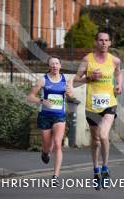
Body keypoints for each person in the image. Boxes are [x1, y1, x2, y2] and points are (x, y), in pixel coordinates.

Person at [73, 31, 122, 190]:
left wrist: (118, 85)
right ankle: (95, 170)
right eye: (100, 40)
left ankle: (106, 168)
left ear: (110, 43)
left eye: (106, 40)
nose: (103, 43)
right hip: (92, 106)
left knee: (103, 135)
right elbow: (75, 81)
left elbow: (118, 73)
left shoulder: (115, 60)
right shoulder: (87, 60)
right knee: (95, 140)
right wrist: (90, 78)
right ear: (96, 42)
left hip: (109, 104)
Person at [27, 56, 73, 186]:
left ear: (60, 66)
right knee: (47, 146)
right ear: (49, 66)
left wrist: (70, 93)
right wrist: (42, 101)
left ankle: (55, 177)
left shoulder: (65, 80)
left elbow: (72, 95)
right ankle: (44, 153)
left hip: (59, 116)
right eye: (52, 64)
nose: (54, 65)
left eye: (57, 63)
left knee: (58, 144)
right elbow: (30, 97)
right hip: (45, 116)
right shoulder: (43, 80)